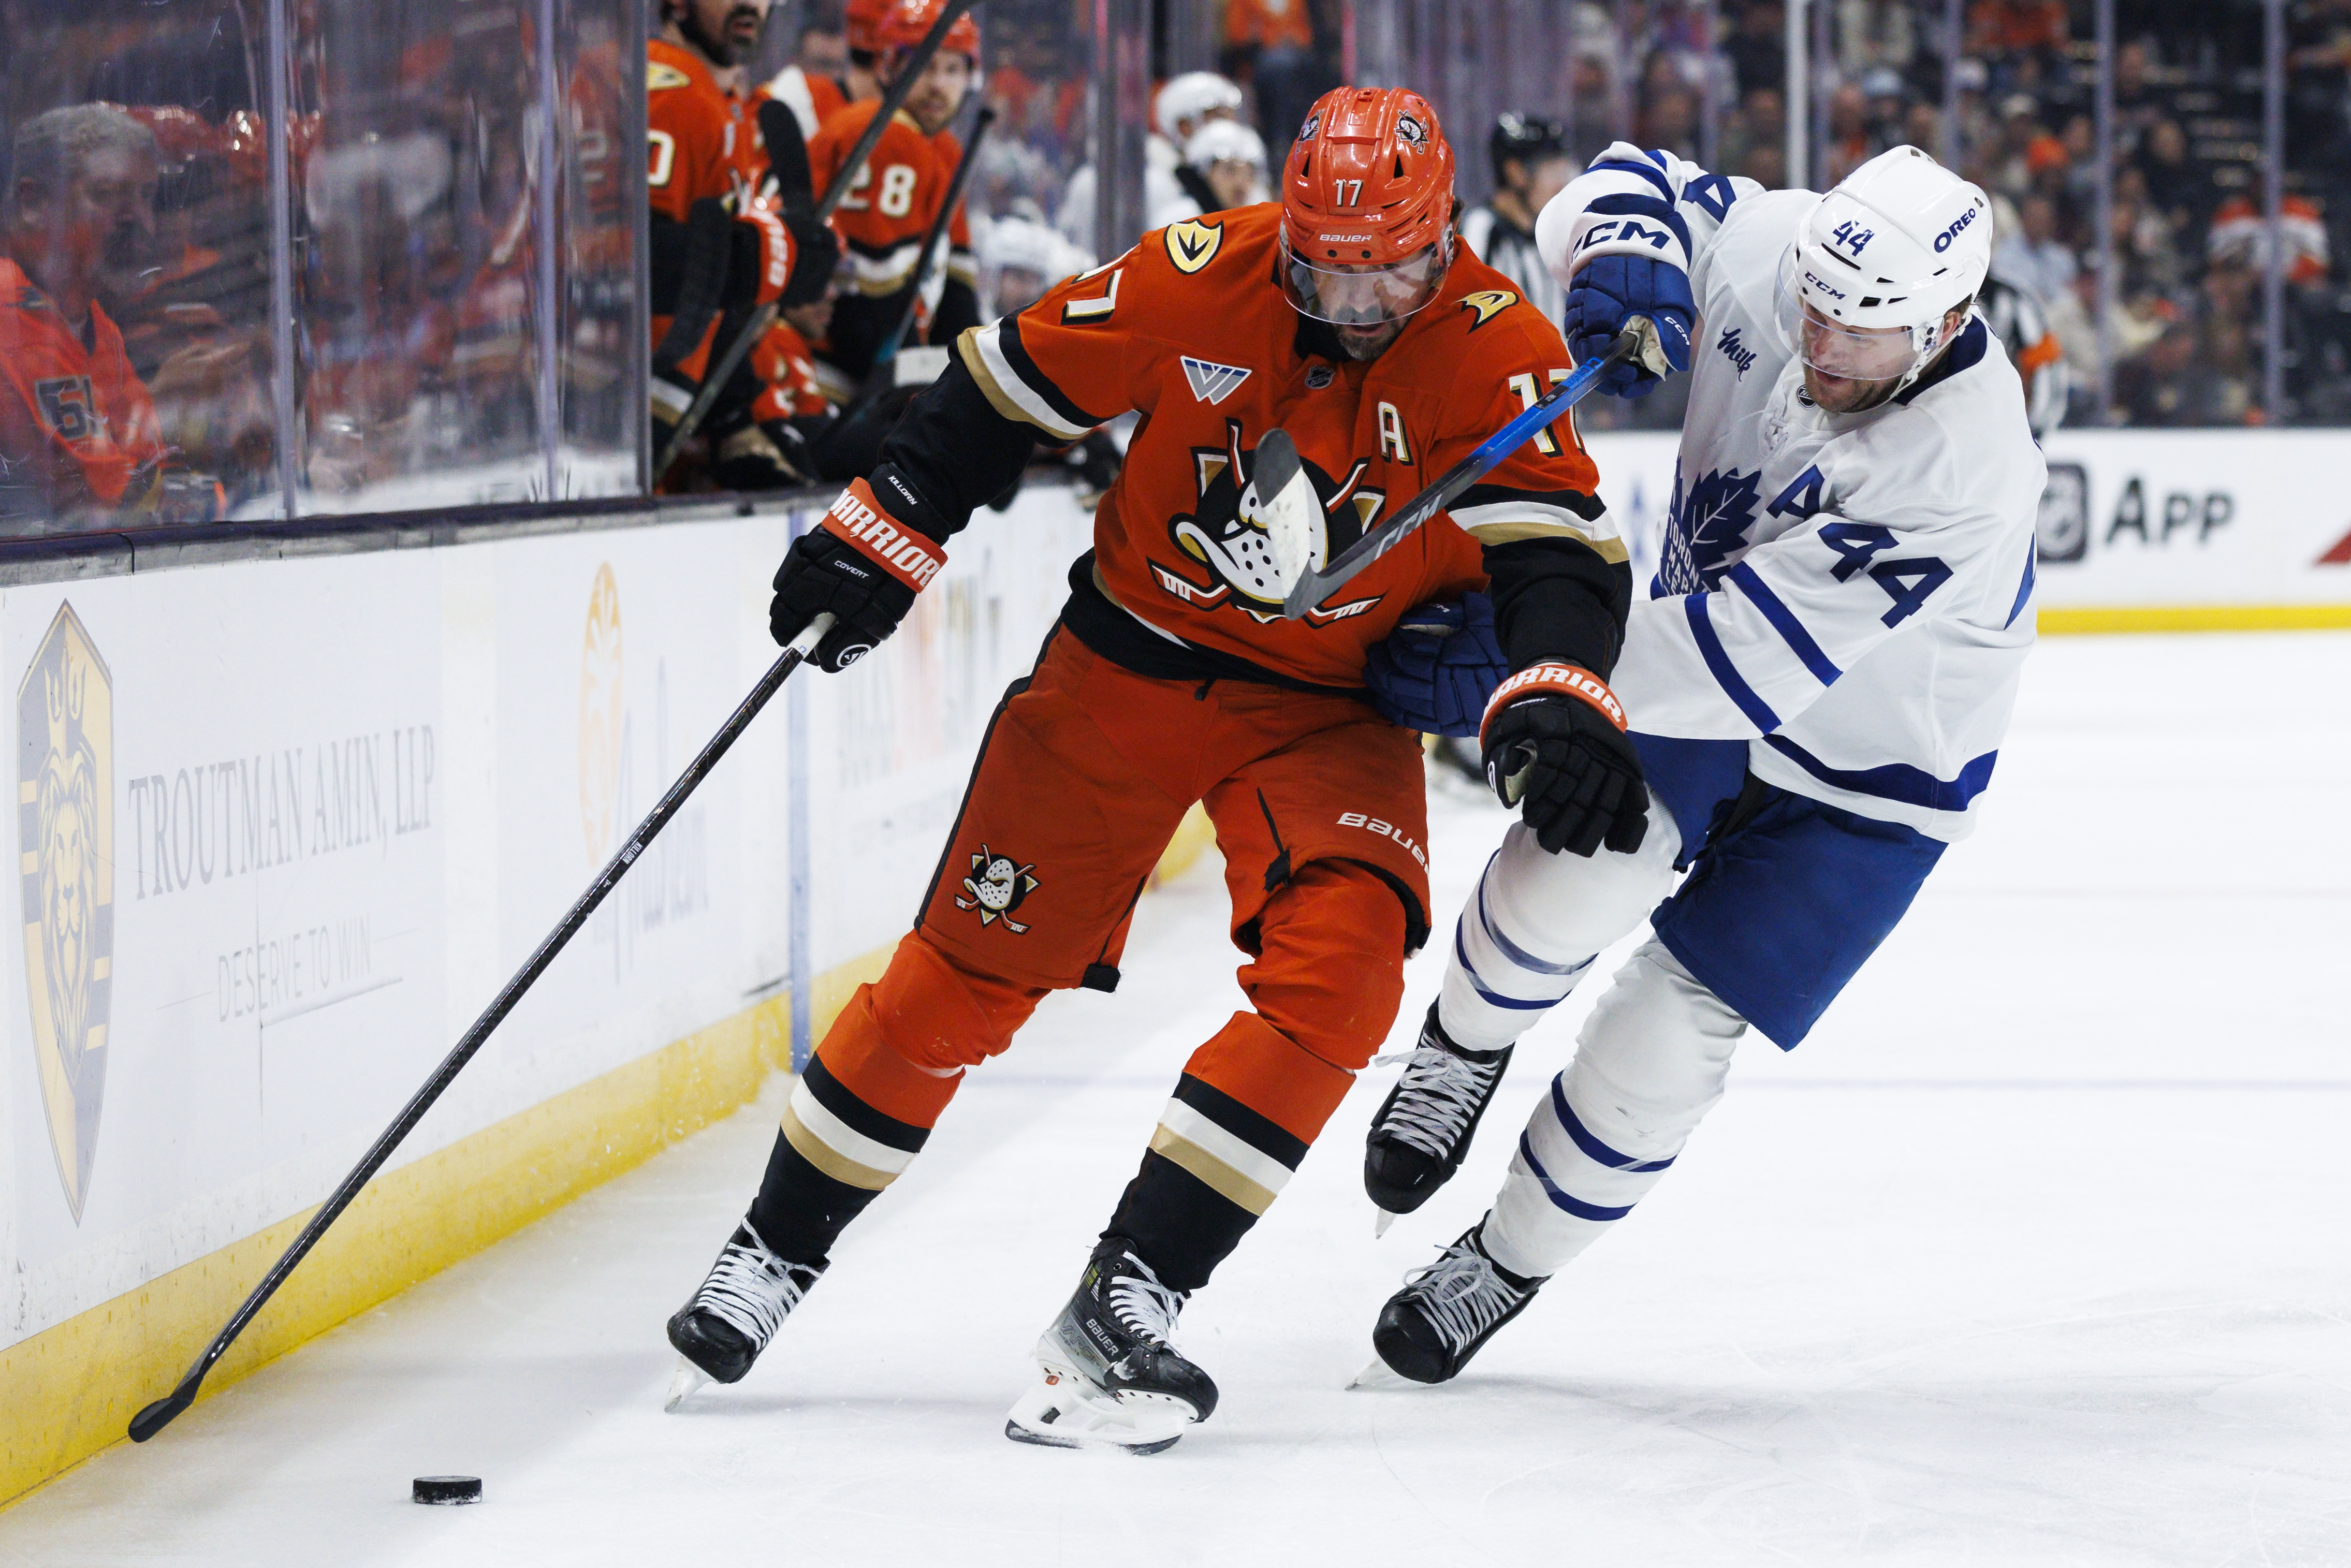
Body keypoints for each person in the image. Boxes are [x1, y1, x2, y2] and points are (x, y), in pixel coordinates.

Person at [664, 85, 1645, 1453]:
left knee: (1346, 969)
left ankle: (1127, 1296)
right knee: (960, 980)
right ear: (1285, 232)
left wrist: (1556, 684)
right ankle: (772, 1246)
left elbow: (1558, 555)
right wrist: (890, 517)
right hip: (1121, 662)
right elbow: (1004, 381)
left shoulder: (1497, 347)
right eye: (1322, 272)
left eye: (1392, 277)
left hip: (1321, 708)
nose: (1354, 307)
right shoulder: (1202, 271)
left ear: (1442, 242)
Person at [1352, 143, 2043, 1385]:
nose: (1822, 343)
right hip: (1701, 667)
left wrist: (1529, 661)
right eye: (1813, 308)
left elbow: (1740, 655)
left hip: (1873, 780)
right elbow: (1622, 177)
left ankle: (1502, 1260)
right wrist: (1618, 246)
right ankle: (1457, 1049)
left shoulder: (1965, 469)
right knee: (1557, 882)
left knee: (1661, 1042)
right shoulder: (1779, 252)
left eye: (1862, 332)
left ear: (1944, 324)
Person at [1, 104, 220, 529]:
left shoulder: (97, 325)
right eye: (105, 195)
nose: (138, 220)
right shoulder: (10, 315)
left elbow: (154, 468)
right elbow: (109, 496)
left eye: (144, 196)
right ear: (32, 204)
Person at [646, 0, 837, 470]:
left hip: (664, 404)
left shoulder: (721, 100)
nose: (750, 3)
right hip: (611, 411)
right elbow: (633, 264)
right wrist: (761, 256)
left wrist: (738, 417)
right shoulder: (669, 93)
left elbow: (708, 297)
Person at [806, 0, 983, 386]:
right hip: (831, 373)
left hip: (876, 370)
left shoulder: (943, 150)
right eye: (925, 65)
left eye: (953, 69)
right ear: (888, 67)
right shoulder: (879, 135)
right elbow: (868, 303)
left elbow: (956, 290)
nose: (938, 84)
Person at [1057, 70, 1243, 254]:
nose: (1229, 127)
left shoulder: (1225, 175)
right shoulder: (1155, 179)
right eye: (1218, 116)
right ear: (1184, 126)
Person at [1460, 113, 1575, 326]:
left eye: (1563, 170)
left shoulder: (1549, 237)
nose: (1561, 184)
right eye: (1552, 170)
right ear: (1516, 173)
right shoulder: (1482, 230)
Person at [1152, 118, 1270, 227]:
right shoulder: (1180, 220)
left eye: (1249, 174)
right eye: (1229, 171)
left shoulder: (1259, 223)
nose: (1240, 182)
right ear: (1204, 174)